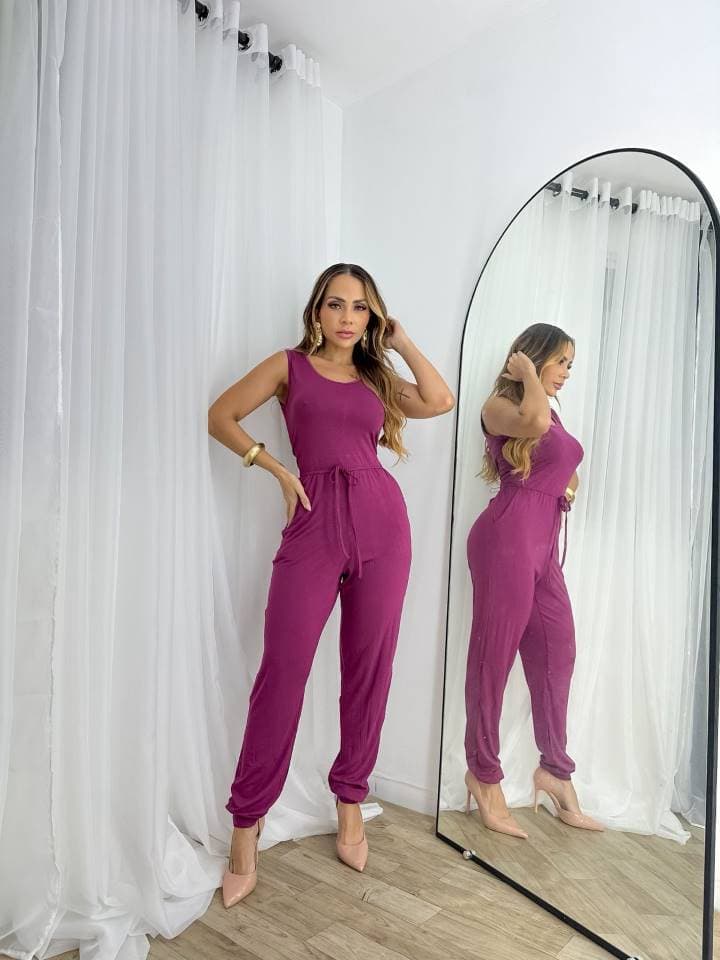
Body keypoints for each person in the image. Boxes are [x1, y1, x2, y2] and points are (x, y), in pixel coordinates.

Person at [208, 262, 455, 906]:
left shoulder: (376, 376)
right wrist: (276, 470)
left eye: (360, 307)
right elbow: (221, 415)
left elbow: (440, 400)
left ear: (372, 317)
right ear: (317, 311)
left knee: (369, 668)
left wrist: (400, 340)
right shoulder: (288, 366)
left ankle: (350, 801)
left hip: (382, 522)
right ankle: (245, 828)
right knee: (282, 672)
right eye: (336, 304)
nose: (348, 317)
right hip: (313, 522)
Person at [463, 323, 603, 839]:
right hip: (506, 539)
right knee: (493, 659)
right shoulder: (499, 406)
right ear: (533, 357)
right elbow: (536, 420)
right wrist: (525, 375)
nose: (566, 372)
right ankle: (483, 775)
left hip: (542, 546)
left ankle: (555, 771)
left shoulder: (549, 412)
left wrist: (567, 488)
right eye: (560, 361)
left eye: (571, 365)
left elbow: (567, 462)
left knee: (558, 650)